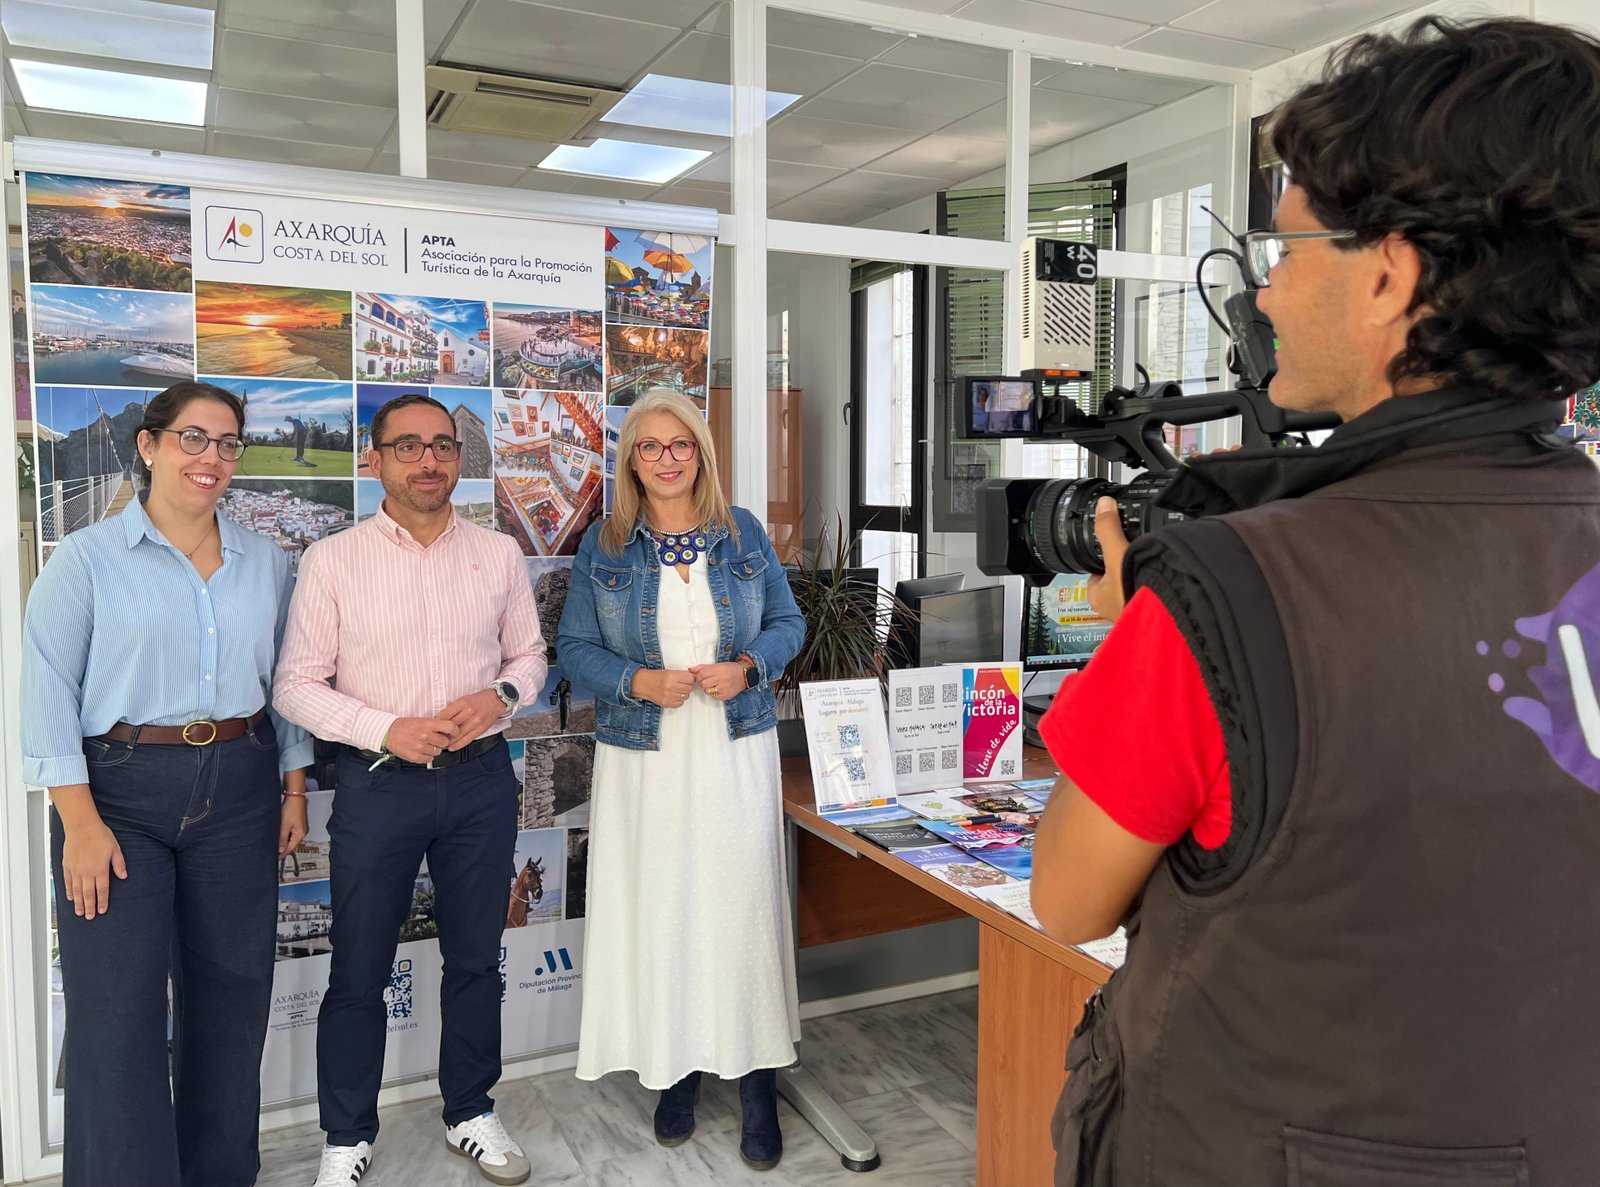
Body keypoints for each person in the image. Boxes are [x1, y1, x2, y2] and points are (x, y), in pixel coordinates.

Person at [1028, 17, 1600, 1186]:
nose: (1268, 293)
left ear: (1388, 275)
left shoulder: (1228, 593)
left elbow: (1066, 896)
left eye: (1285, 250)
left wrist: (1142, 630)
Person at [22, 380, 313, 1187]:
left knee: (232, 995)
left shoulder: (266, 562)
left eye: (227, 443)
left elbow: (285, 684)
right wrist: (80, 824)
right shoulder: (86, 560)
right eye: (193, 437)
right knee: (116, 1009)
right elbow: (46, 694)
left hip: (242, 784)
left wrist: (293, 787)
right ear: (148, 446)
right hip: (117, 795)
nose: (211, 456)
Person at [274, 393, 547, 1187]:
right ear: (376, 458)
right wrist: (384, 728)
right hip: (379, 785)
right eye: (409, 447)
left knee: (476, 958)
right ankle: (346, 1134)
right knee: (359, 968)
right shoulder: (334, 559)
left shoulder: (498, 553)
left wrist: (500, 696)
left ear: (459, 457)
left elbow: (530, 656)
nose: (430, 461)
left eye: (443, 446)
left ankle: (470, 1109)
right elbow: (295, 685)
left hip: (481, 782)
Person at [557, 387, 805, 1170]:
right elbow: (574, 649)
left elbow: (789, 622)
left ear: (701, 452)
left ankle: (758, 1080)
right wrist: (636, 680)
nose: (667, 459)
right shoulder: (607, 543)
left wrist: (749, 665)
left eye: (681, 444)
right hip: (646, 757)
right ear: (632, 459)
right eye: (650, 446)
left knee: (740, 911)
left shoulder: (743, 532)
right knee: (665, 912)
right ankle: (676, 1071)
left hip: (733, 748)